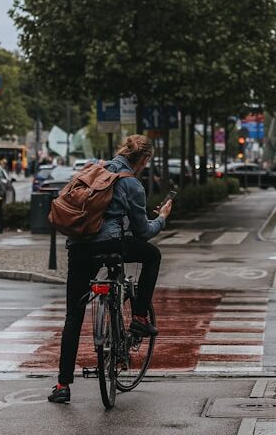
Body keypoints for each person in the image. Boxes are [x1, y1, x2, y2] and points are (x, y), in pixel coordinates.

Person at [49, 134, 173, 405]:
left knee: (73, 315)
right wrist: (161, 218)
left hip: (80, 246)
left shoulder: (94, 167)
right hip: (113, 243)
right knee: (152, 256)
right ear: (144, 159)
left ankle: (62, 386)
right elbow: (142, 232)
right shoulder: (132, 184)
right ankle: (140, 316)